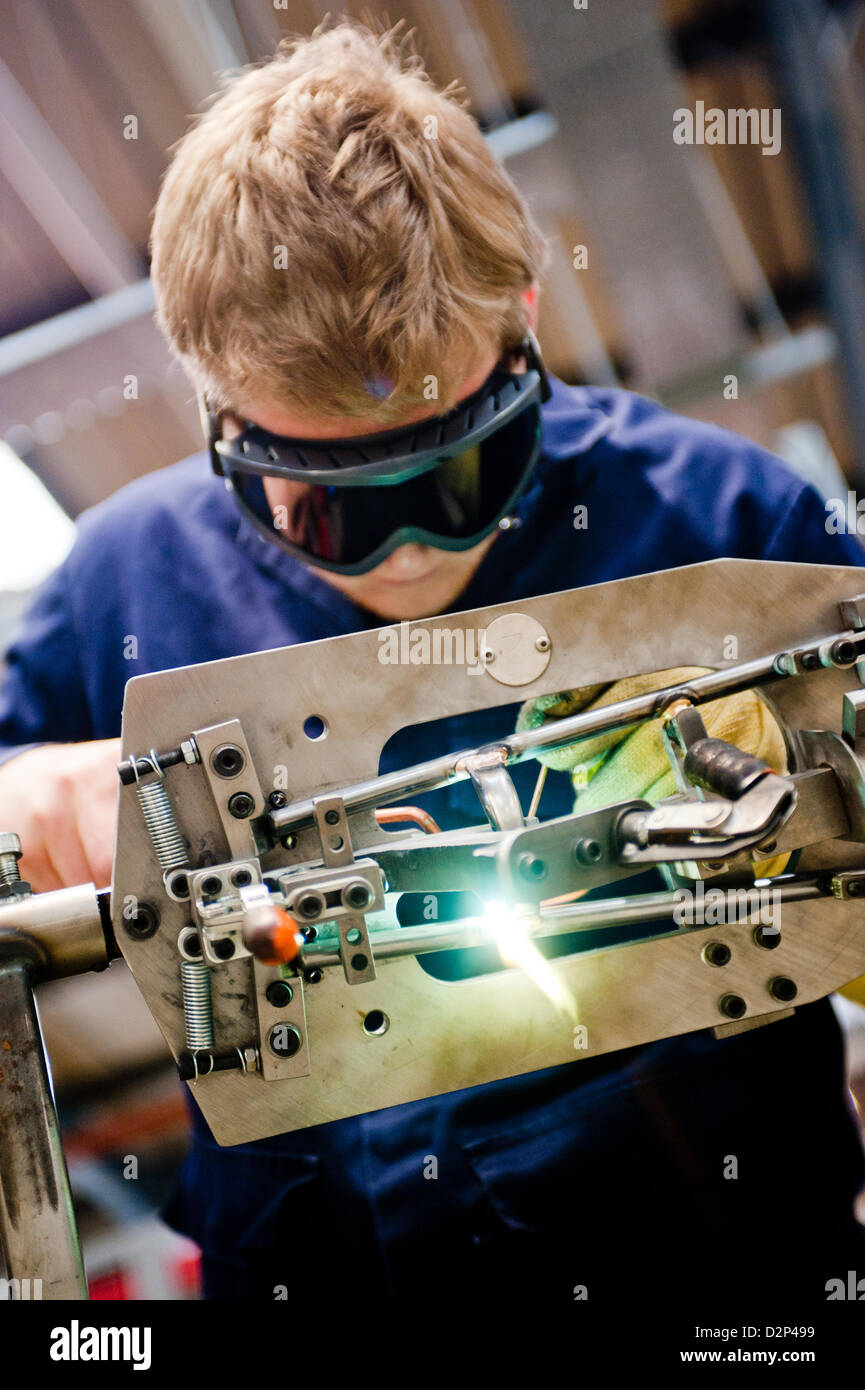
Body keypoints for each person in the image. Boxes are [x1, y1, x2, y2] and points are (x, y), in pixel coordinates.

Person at [1, 21, 864, 1307]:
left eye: (462, 473)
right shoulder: (123, 583)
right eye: (331, 506)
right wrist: (24, 796)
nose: (406, 555)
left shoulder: (725, 526)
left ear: (522, 322)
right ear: (214, 411)